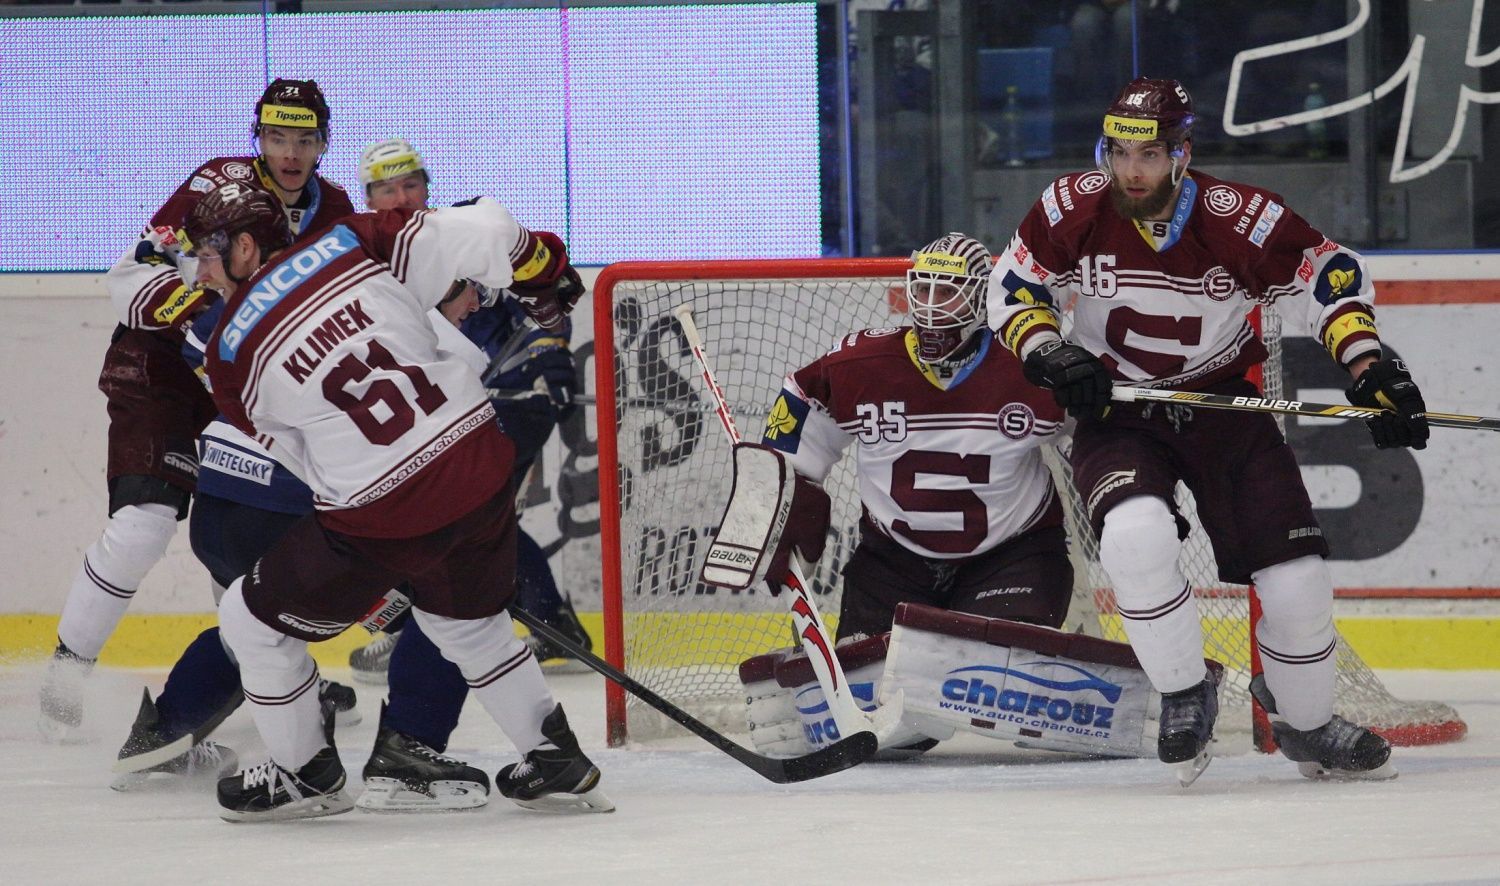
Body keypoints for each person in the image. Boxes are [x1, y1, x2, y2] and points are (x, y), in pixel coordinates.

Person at [986, 76, 1425, 782]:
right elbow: (1012, 285)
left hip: (1224, 408)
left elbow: (1327, 276)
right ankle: (1185, 690)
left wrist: (1369, 363)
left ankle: (1306, 726)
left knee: (1299, 586)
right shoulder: (1072, 207)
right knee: (1135, 538)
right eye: (1118, 152)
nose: (1130, 171)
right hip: (1118, 412)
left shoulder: (1239, 219)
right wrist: (1048, 348)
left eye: (1149, 155)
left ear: (1182, 154)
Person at [185, 181, 606, 821]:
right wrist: (542, 268)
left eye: (210, 251)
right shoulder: (355, 239)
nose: (200, 268)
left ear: (246, 246)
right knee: (466, 622)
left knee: (249, 620)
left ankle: (304, 774)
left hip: (383, 506)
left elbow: (299, 462)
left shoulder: (228, 354)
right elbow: (486, 227)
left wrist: (373, 559)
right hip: (476, 460)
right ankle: (552, 756)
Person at [705, 233, 1166, 761]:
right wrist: (776, 498)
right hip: (892, 562)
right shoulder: (859, 367)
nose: (929, 308)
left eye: (947, 293)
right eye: (921, 291)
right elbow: (797, 421)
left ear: (979, 299)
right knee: (889, 723)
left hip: (1013, 559)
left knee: (983, 674)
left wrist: (1128, 481)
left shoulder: (1032, 367)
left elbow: (1104, 439)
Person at [39, 78, 354, 740]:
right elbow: (130, 278)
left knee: (248, 540)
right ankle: (65, 681)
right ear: (258, 137)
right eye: (276, 137)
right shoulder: (217, 186)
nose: (289, 153)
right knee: (144, 524)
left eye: (304, 139)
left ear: (324, 144)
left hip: (243, 389)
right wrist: (201, 307)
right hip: (160, 372)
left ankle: (272, 672)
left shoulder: (337, 212)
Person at [346, 139, 592, 685]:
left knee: (461, 512)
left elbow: (546, 287)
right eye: (388, 189)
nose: (402, 197)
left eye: (411, 184)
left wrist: (550, 353)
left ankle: (418, 629)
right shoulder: (379, 254)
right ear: (370, 197)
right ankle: (550, 625)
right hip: (459, 403)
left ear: (427, 187)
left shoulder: (455, 234)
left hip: (515, 395)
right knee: (478, 513)